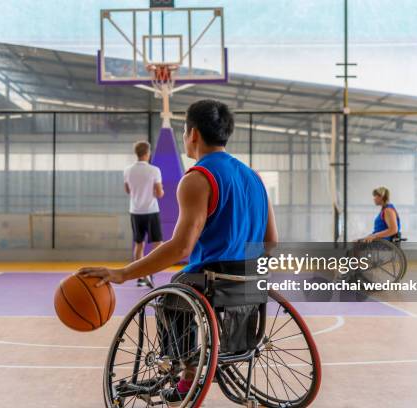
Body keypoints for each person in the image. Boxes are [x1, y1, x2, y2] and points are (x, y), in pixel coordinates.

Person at [78, 99, 278, 404]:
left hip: (212, 282)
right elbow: (271, 243)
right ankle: (226, 352)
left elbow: (180, 247)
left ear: (193, 134)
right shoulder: (255, 178)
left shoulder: (197, 179)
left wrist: (123, 272)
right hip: (250, 284)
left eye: (184, 133)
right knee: (188, 286)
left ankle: (186, 374)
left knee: (170, 296)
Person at [123, 141, 165, 288]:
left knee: (139, 244)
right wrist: (159, 191)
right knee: (158, 244)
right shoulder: (154, 170)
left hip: (135, 211)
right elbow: (159, 193)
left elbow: (127, 190)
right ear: (147, 153)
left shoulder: (128, 170)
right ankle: (150, 272)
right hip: (151, 211)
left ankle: (141, 277)